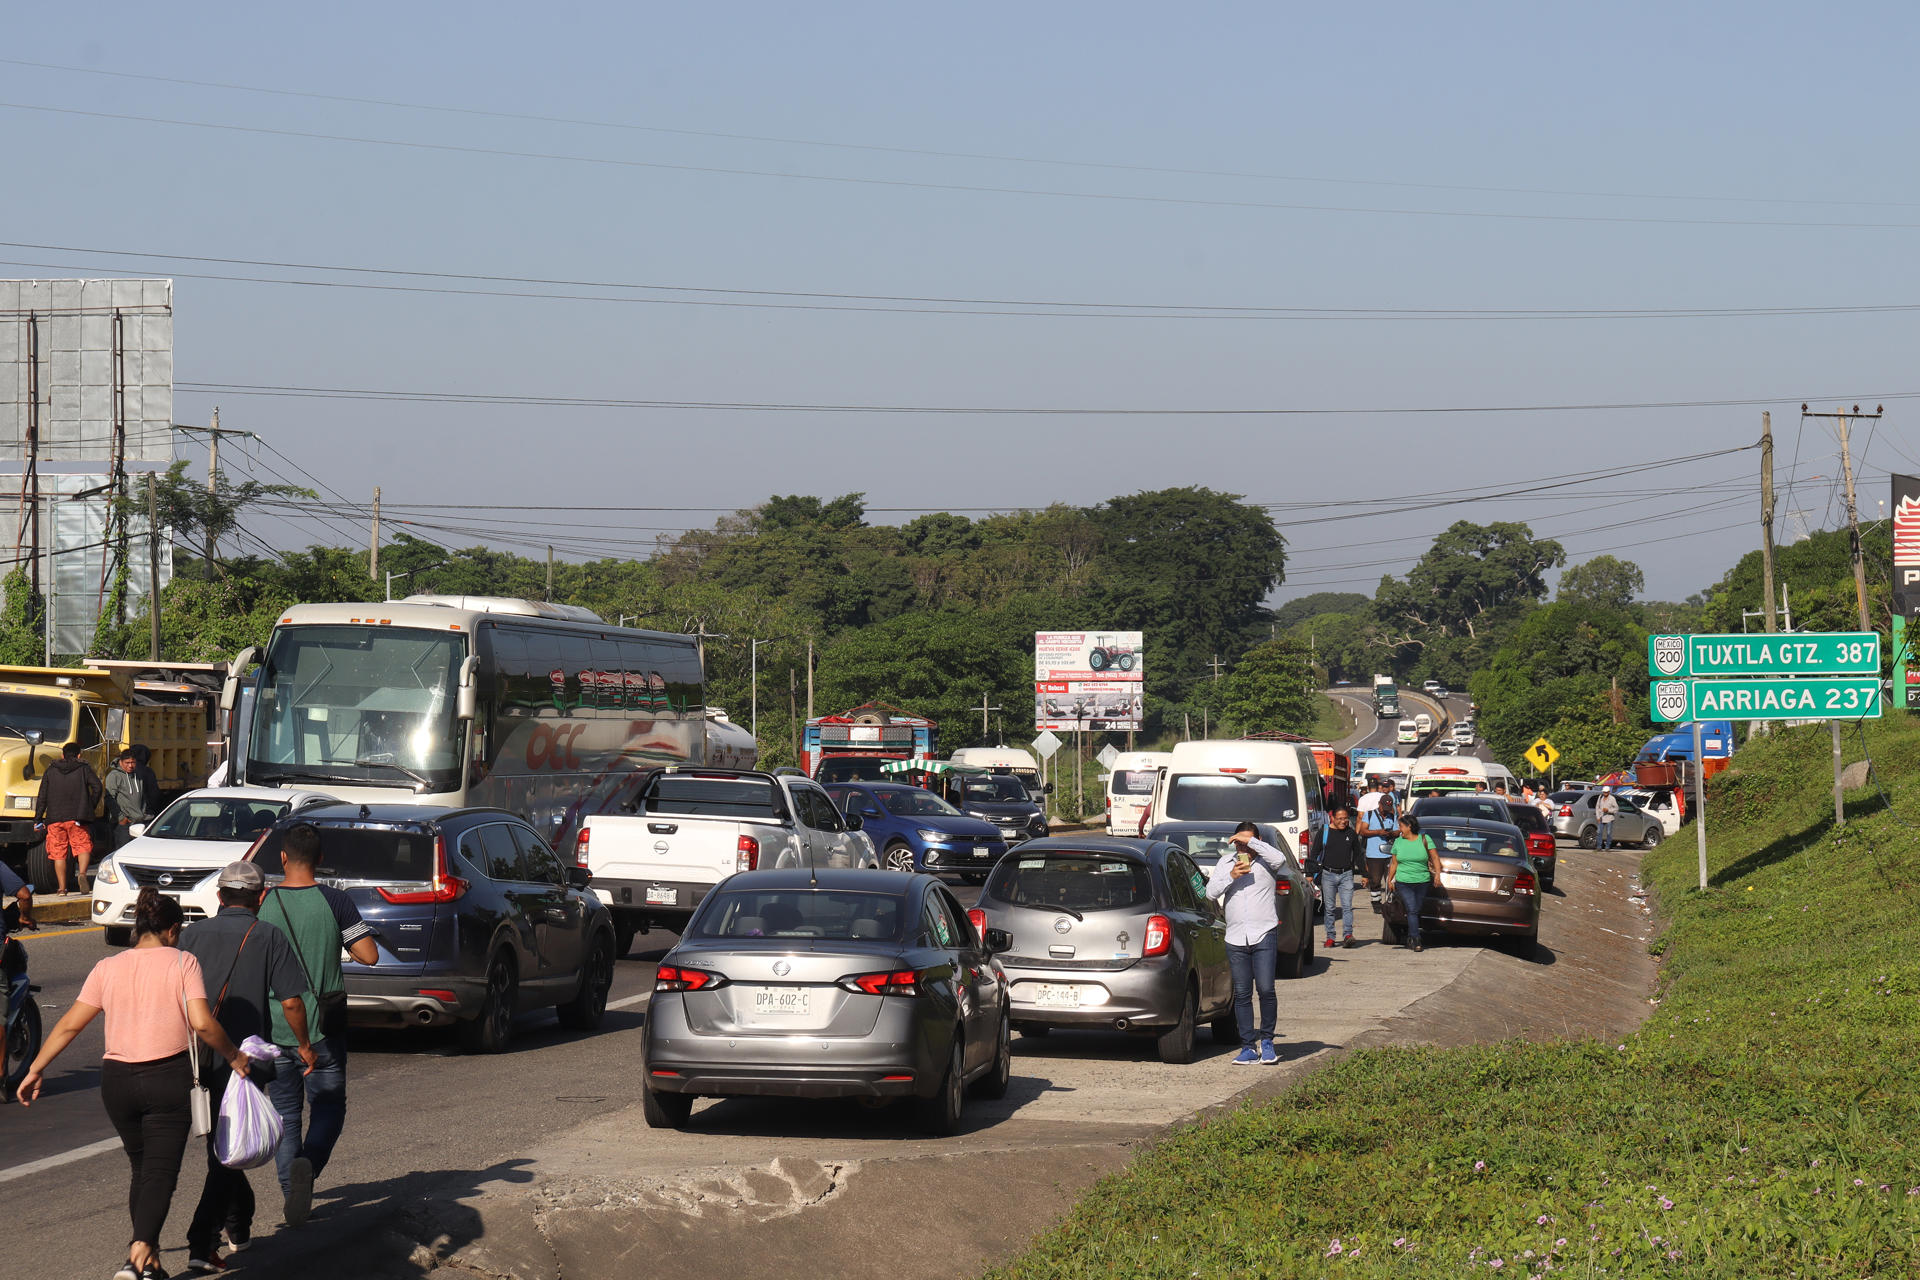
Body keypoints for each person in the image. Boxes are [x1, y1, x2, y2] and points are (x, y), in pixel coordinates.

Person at [17, 887, 249, 1280]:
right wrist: (234, 1056)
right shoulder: (182, 962)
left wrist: (35, 1067)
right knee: (159, 1172)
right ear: (173, 930)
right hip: (167, 1079)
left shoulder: (108, 967)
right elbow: (203, 1022)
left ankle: (151, 1262)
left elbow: (72, 1023)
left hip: (117, 1083)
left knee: (142, 1169)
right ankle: (137, 1252)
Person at [178, 862, 318, 1274]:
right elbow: (291, 1001)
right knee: (225, 1153)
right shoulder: (268, 935)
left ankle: (239, 1226)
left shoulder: (191, 935)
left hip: (196, 1055)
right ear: (259, 898)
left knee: (224, 1146)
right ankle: (202, 1243)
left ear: (219, 897)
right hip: (242, 1061)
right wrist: (305, 1046)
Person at [259, 823, 378, 1226]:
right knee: (328, 1108)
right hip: (323, 1028)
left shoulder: (265, 902)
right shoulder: (336, 901)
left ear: (282, 857)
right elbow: (369, 955)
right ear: (320, 860)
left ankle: (294, 1195)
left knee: (285, 1115)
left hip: (275, 1027)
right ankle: (307, 1165)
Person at [1204, 822, 1288, 1066]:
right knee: (1241, 993)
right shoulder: (1226, 863)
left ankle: (1268, 1042)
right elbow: (1210, 893)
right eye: (1239, 842)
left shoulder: (1267, 861)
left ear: (1257, 840)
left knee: (1266, 989)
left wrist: (1251, 842)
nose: (1243, 846)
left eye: (1247, 841)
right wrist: (1232, 876)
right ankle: (1248, 1047)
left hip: (1264, 933)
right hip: (1236, 937)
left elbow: (1280, 858)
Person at [34, 741, 103, 895]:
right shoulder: (83, 768)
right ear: (79, 755)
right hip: (77, 818)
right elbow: (98, 787)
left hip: (55, 819)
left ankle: (62, 888)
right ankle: (83, 874)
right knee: (82, 846)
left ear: (62, 755)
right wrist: (88, 807)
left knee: (59, 853)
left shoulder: (50, 770)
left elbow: (42, 796)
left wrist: (38, 819)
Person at [1308, 805, 1364, 949]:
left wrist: (1365, 874)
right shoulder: (1325, 832)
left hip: (1346, 875)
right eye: (1340, 818)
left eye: (1345, 818)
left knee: (1347, 907)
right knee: (1330, 908)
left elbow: (1358, 855)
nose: (1343, 821)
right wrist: (1309, 874)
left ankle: (1347, 935)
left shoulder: (1351, 833)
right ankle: (1330, 937)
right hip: (1328, 874)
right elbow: (1314, 853)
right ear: (1333, 818)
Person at [1387, 814, 1440, 953]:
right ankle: (1416, 939)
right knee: (1412, 909)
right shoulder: (1398, 842)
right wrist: (1389, 879)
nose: (1399, 829)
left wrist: (1437, 875)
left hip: (1422, 881)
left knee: (1415, 909)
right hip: (1403, 882)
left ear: (1409, 827)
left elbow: (1435, 858)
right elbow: (1394, 863)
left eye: (1401, 826)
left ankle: (1411, 935)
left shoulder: (1425, 839)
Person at [1357, 776, 1398, 907]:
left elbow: (1398, 831)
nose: (1386, 812)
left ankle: (1390, 902)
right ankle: (1376, 903)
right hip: (1374, 853)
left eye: (1388, 809)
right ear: (1379, 804)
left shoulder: (1393, 815)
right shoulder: (1369, 814)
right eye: (1384, 809)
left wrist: (1391, 833)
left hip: (1390, 853)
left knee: (1391, 880)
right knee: (1375, 880)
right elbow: (1363, 830)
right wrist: (1378, 832)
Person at [106, 750, 157, 851]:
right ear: (120, 762)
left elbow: (147, 795)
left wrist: (146, 814)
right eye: (127, 763)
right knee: (123, 851)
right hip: (124, 824)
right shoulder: (114, 776)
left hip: (140, 822)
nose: (130, 766)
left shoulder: (139, 775)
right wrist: (121, 818)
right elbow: (109, 798)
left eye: (133, 762)